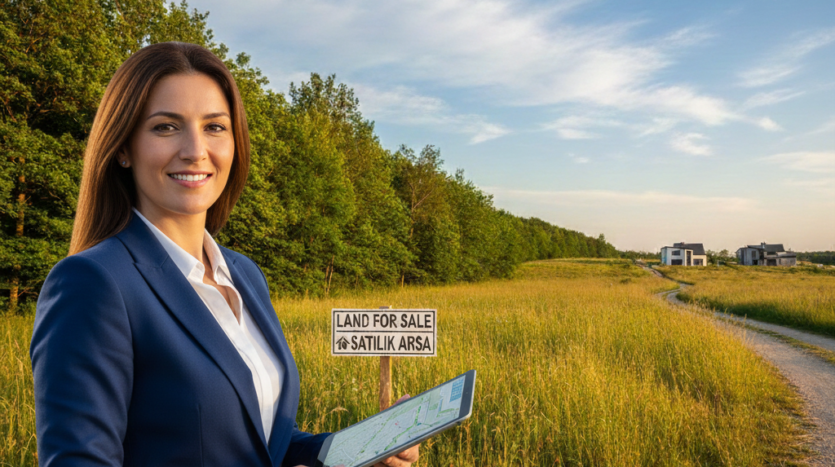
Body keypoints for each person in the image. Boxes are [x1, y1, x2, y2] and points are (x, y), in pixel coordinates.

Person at [29, 41, 420, 467]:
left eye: (215, 127)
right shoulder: (92, 283)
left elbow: (265, 441)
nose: (195, 150)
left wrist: (361, 449)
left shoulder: (244, 273)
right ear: (123, 147)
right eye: (166, 127)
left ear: (236, 143)